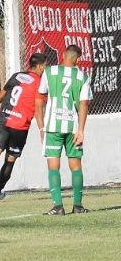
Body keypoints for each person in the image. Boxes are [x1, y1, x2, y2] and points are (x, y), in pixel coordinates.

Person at [0, 53, 48, 202]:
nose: (45, 69)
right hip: (19, 127)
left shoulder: (17, 76)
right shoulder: (40, 83)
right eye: (45, 66)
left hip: (4, 121)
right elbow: (39, 109)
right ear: (39, 66)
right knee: (10, 161)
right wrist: (41, 129)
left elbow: (1, 95)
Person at [34, 44, 93, 215]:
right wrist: (81, 130)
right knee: (76, 166)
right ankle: (78, 206)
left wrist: (41, 128)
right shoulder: (82, 76)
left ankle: (58, 206)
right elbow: (84, 104)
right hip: (73, 127)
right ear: (78, 59)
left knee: (53, 166)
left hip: (52, 127)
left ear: (63, 54)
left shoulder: (49, 72)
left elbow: (39, 101)